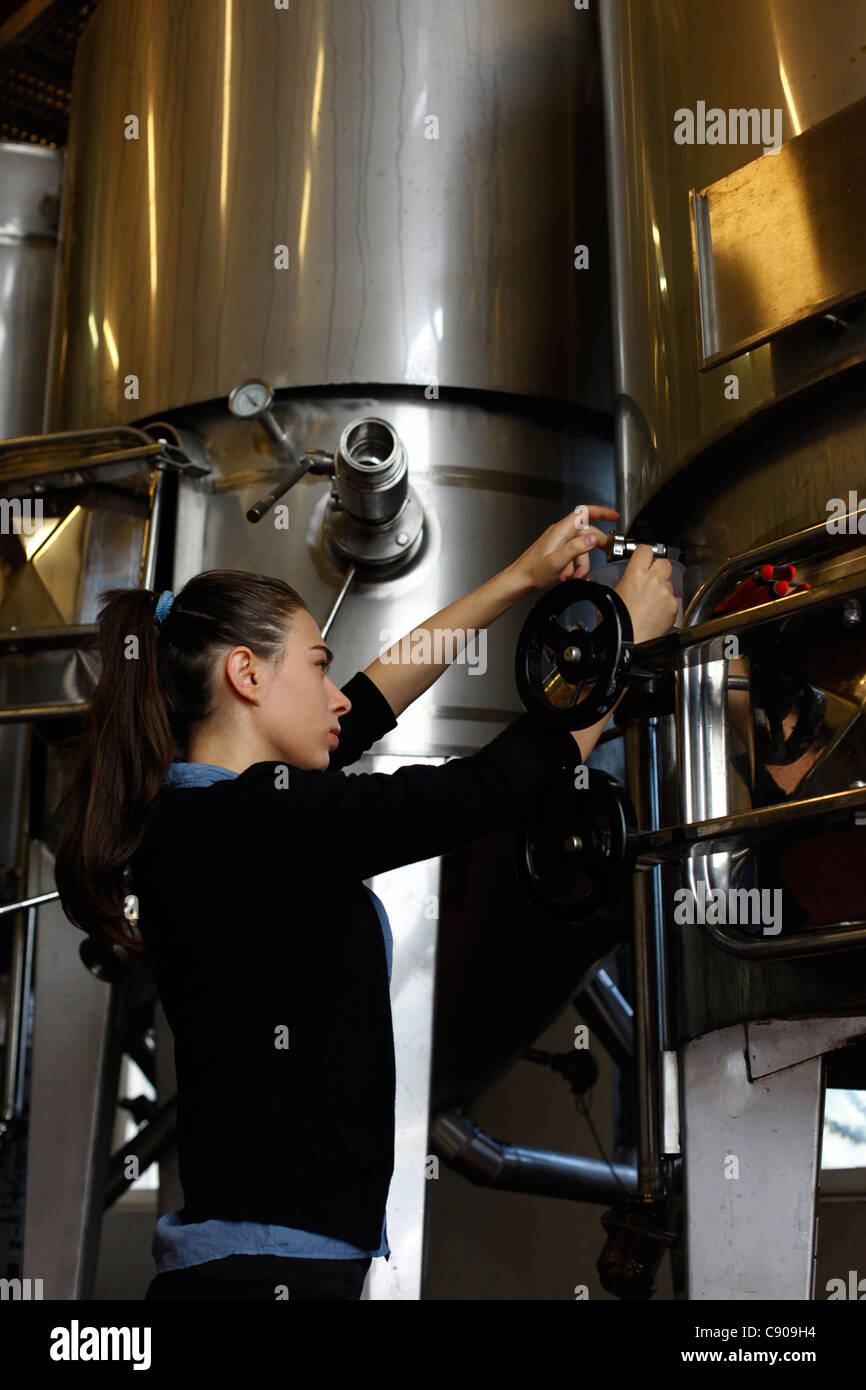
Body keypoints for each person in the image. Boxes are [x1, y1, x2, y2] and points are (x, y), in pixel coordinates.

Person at [53, 507, 677, 1300]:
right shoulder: (264, 824)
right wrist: (618, 639)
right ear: (245, 675)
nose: (336, 696)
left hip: (255, 1264)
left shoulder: (206, 817)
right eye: (317, 667)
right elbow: (486, 790)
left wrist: (520, 578)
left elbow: (376, 696)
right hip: (274, 1274)